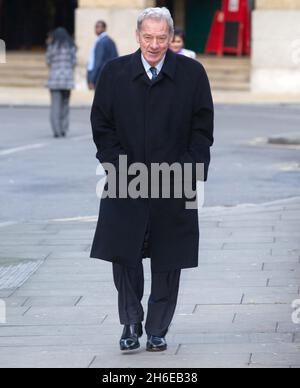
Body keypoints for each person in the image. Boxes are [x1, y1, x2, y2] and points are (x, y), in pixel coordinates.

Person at [90, 7, 214, 353]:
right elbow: (102, 126)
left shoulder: (192, 74)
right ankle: (131, 322)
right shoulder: (114, 73)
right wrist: (118, 166)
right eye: (148, 37)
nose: (155, 44)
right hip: (125, 179)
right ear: (137, 36)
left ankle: (158, 328)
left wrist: (189, 170)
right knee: (124, 255)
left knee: (168, 258)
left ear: (170, 37)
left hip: (173, 180)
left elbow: (202, 131)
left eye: (162, 38)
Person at [46, 27, 76, 138]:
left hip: (54, 80)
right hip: (67, 80)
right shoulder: (71, 46)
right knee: (65, 105)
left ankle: (56, 130)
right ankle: (63, 128)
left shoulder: (52, 46)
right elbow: (74, 62)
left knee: (55, 106)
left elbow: (47, 61)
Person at [87, 20, 119, 90]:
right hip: (108, 75)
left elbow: (97, 62)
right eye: (96, 27)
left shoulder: (101, 42)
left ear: (104, 28)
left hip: (100, 76)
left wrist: (91, 78)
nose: (96, 29)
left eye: (98, 27)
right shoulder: (110, 41)